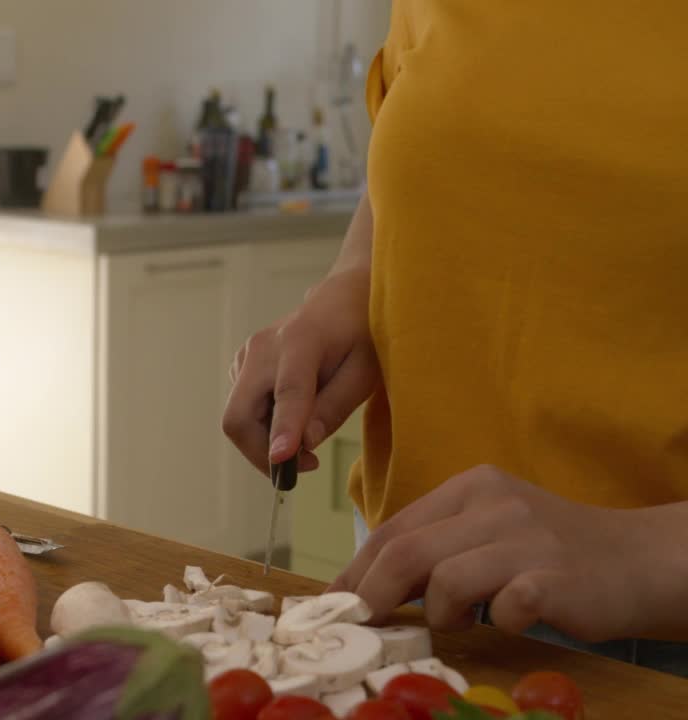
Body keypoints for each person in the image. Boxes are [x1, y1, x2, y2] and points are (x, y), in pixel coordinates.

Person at [222, 1, 688, 676]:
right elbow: (428, 126)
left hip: (656, 649)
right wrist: (357, 278)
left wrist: (639, 553)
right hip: (410, 607)